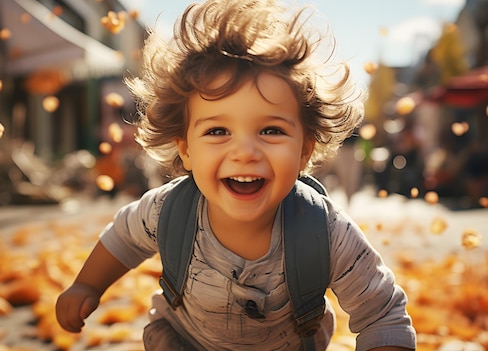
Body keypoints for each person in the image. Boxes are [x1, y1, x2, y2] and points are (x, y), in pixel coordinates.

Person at [55, 0, 417, 350]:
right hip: (186, 343)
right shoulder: (168, 211)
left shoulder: (326, 231)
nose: (245, 152)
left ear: (305, 148)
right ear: (186, 149)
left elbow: (382, 315)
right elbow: (124, 237)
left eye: (271, 130)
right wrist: (87, 286)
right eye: (217, 131)